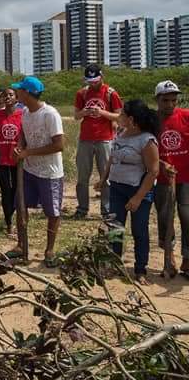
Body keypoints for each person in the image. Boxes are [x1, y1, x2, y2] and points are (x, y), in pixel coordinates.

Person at [98, 100, 159, 285]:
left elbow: (153, 171)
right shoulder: (121, 133)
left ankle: (140, 270)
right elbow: (112, 158)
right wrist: (103, 178)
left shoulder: (147, 140)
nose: (119, 116)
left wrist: (138, 197)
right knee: (115, 228)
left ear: (131, 119)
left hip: (138, 190)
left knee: (139, 230)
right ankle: (114, 264)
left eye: (122, 114)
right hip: (117, 188)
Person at [10, 76, 65, 267]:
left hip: (49, 172)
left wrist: (28, 152)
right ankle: (20, 244)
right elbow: (23, 134)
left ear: (27, 93)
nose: (17, 93)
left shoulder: (50, 114)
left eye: (19, 90)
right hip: (28, 169)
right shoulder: (25, 111)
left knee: (52, 212)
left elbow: (59, 145)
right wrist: (19, 147)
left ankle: (49, 250)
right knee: (21, 205)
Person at [72, 64, 122, 219]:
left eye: (95, 80)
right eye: (89, 81)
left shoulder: (110, 93)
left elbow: (119, 116)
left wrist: (101, 112)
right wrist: (85, 112)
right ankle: (82, 209)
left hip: (105, 139)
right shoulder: (82, 93)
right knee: (82, 177)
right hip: (85, 139)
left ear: (102, 77)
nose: (92, 83)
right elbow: (76, 116)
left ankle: (106, 210)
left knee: (106, 176)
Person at [154, 80, 189, 278]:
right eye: (165, 100)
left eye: (173, 100)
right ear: (157, 99)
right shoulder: (150, 121)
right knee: (165, 218)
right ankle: (169, 257)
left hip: (186, 177)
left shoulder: (185, 116)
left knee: (187, 217)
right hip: (162, 179)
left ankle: (187, 259)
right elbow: (145, 150)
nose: (170, 104)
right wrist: (161, 164)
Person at [0, 88, 23, 236]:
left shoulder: (22, 115)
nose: (7, 97)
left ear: (17, 99)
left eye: (10, 95)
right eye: (5, 95)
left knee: (16, 190)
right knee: (5, 190)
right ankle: (9, 222)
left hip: (17, 160)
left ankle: (16, 216)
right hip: (1, 160)